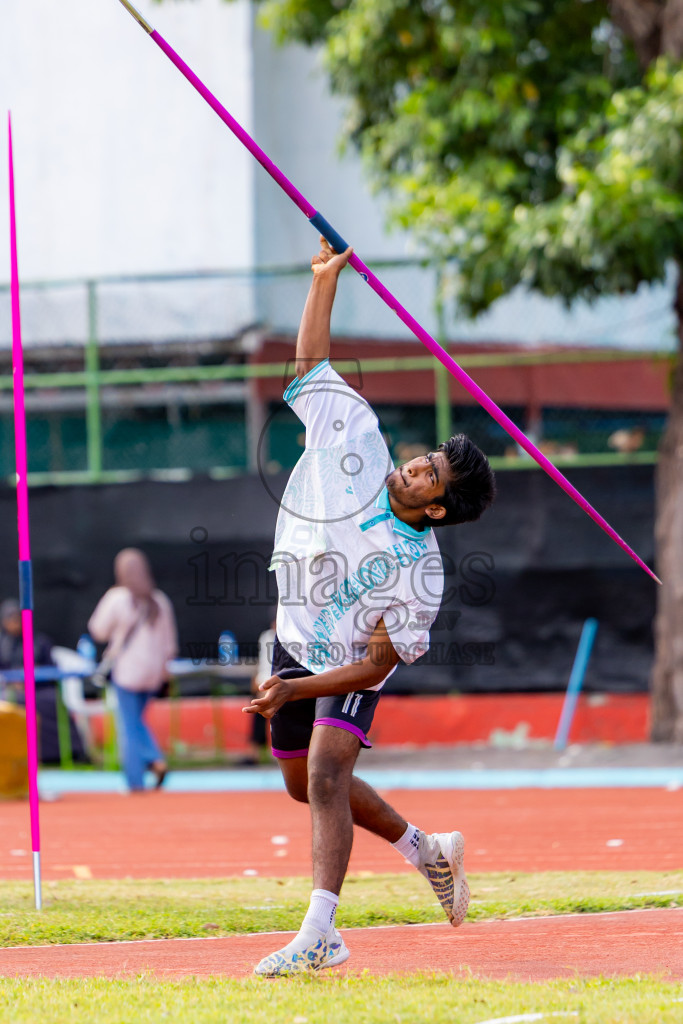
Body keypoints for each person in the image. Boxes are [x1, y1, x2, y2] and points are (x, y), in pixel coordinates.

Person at [244, 239, 496, 977]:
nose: (414, 466)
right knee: (300, 784)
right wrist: (324, 281)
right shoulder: (357, 438)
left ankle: (321, 931)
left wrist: (297, 690)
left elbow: (372, 667)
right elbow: (309, 370)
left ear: (437, 508)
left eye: (428, 476)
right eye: (424, 458)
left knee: (326, 772)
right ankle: (427, 850)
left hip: (347, 662)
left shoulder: (420, 574)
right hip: (294, 633)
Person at [88, 548, 177, 792]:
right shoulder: (159, 600)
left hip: (127, 672)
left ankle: (139, 776)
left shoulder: (117, 597)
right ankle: (151, 762)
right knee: (136, 721)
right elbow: (170, 644)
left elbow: (97, 630)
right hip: (153, 673)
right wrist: (164, 672)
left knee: (128, 725)